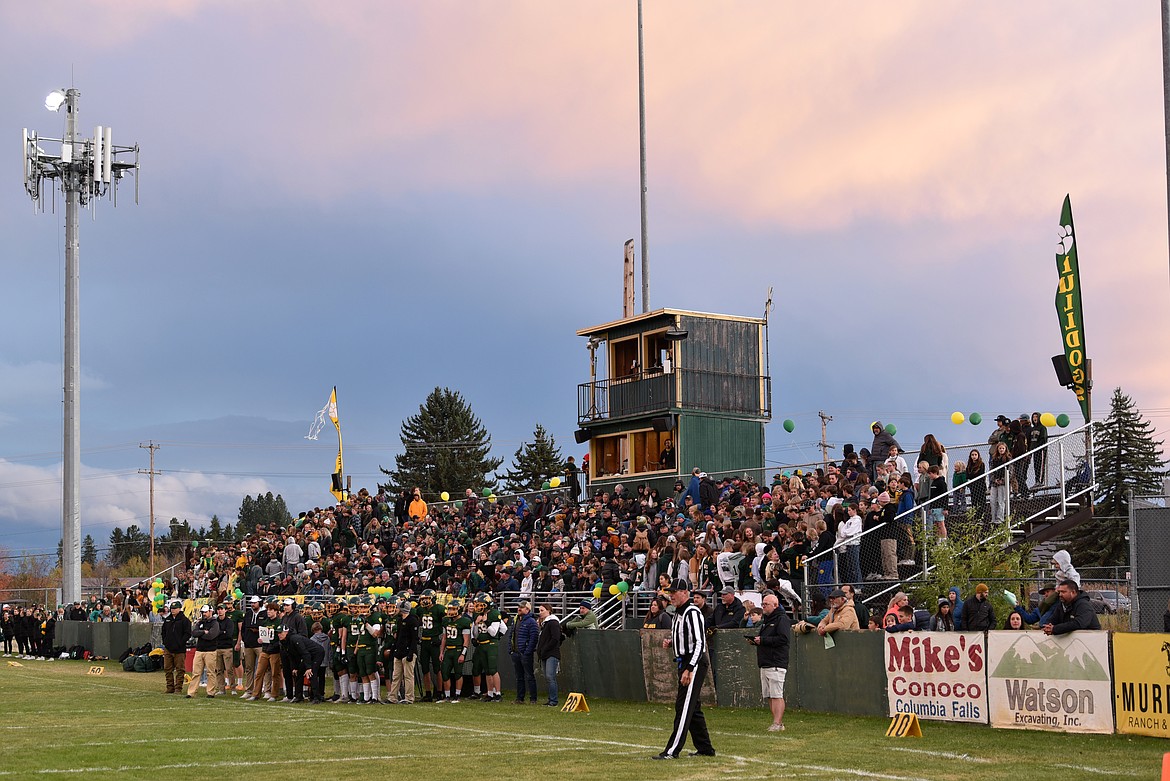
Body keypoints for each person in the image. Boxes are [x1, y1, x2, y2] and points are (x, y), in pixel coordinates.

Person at [655, 578, 715, 760]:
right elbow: (685, 636)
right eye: (670, 593)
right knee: (693, 708)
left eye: (674, 592)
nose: (671, 596)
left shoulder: (692, 612)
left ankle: (672, 751)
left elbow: (699, 642)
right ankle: (705, 748)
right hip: (684, 661)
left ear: (685, 593)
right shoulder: (678, 614)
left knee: (684, 707)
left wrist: (690, 668)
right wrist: (672, 642)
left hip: (693, 662)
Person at [749, 591, 791, 732]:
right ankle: (776, 722)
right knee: (769, 695)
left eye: (766, 604)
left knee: (777, 694)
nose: (763, 606)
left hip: (776, 662)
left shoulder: (782, 619)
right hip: (765, 661)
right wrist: (757, 641)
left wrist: (764, 640)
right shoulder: (767, 621)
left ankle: (777, 723)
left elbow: (784, 639)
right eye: (762, 604)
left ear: (775, 605)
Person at [277, 625, 325, 702]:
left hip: (316, 653)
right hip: (308, 655)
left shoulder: (295, 638)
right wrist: (295, 667)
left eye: (280, 632)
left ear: (286, 632)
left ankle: (317, 697)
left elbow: (305, 653)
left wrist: (308, 667)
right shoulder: (284, 642)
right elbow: (291, 655)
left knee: (311, 673)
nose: (279, 635)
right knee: (298, 673)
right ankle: (298, 696)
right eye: (278, 633)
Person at [187, 604, 221, 698]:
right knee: (196, 672)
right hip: (199, 650)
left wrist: (201, 634)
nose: (204, 614)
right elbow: (194, 633)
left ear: (211, 611)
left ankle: (210, 692)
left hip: (210, 650)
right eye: (203, 612)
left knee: (210, 672)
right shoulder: (200, 622)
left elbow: (211, 635)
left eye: (205, 612)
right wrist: (203, 632)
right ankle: (191, 692)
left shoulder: (215, 623)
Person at [390, 599, 420, 704]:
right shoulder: (399, 621)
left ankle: (409, 697)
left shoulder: (412, 621)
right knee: (396, 676)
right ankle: (392, 697)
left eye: (398, 607)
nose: (396, 609)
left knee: (408, 676)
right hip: (399, 651)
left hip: (408, 652)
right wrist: (395, 649)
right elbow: (398, 637)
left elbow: (414, 638)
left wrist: (411, 653)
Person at [510, 601, 538, 704]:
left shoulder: (531, 621)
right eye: (518, 607)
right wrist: (511, 649)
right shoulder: (516, 619)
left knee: (529, 676)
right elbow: (511, 635)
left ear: (527, 609)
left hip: (524, 653)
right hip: (516, 652)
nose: (519, 609)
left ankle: (533, 698)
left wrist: (527, 651)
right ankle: (520, 697)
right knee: (519, 676)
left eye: (521, 607)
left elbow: (534, 637)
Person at [160, 599, 191, 694]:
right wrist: (165, 642)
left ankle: (178, 688)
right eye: (172, 608)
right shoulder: (168, 620)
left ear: (179, 609)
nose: (173, 610)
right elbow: (163, 632)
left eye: (175, 608)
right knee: (167, 668)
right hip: (168, 648)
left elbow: (187, 634)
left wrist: (180, 643)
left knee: (180, 669)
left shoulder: (185, 620)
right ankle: (170, 687)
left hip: (179, 649)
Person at [536, 603, 562, 707]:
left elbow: (555, 638)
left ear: (549, 611)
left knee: (550, 676)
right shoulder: (545, 624)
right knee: (548, 677)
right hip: (545, 653)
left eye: (542, 610)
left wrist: (545, 649)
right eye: (539, 610)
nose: (540, 613)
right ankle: (551, 699)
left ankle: (553, 700)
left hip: (551, 653)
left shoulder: (553, 622)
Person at [213, 602, 237, 699]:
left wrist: (219, 633)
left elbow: (229, 634)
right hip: (217, 647)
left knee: (229, 669)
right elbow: (213, 633)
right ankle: (221, 689)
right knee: (219, 670)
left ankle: (233, 688)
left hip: (227, 648)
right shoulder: (215, 621)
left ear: (225, 610)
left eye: (221, 609)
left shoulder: (229, 622)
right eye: (218, 609)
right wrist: (222, 632)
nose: (220, 611)